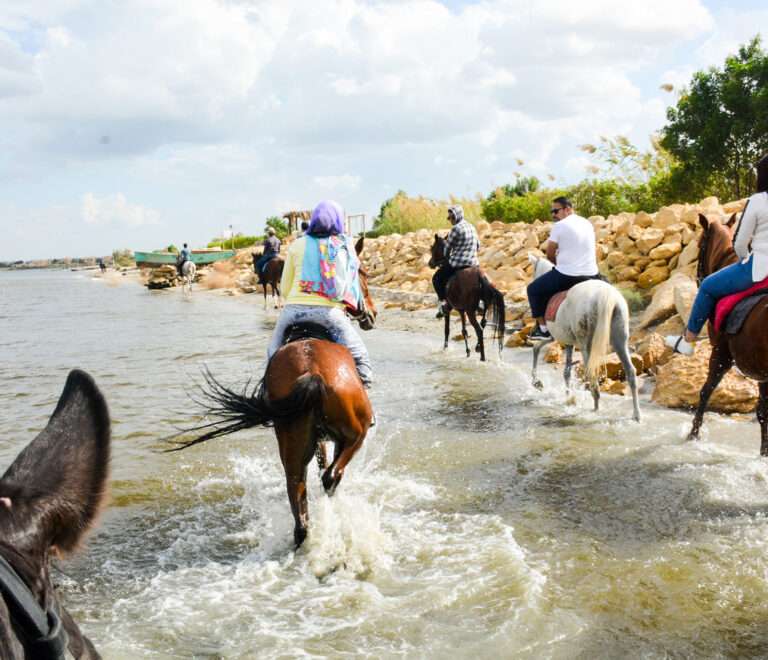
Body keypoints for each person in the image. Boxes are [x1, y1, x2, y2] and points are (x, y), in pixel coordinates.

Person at [666, 153, 768, 355]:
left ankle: (688, 340)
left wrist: (742, 260)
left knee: (708, 286)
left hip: (759, 266)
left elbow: (739, 242)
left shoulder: (758, 201)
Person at [266, 200, 373, 388]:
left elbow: (284, 289)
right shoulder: (343, 246)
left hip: (293, 312)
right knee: (362, 361)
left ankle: (266, 400)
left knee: (272, 358)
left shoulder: (297, 244)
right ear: (339, 221)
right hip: (330, 314)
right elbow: (348, 287)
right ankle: (368, 413)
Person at [526, 196, 600, 340]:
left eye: (556, 211)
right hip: (592, 273)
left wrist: (556, 264)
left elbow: (550, 252)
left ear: (568, 209)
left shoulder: (560, 226)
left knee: (533, 290)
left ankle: (543, 330)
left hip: (569, 275)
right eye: (551, 212)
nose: (553, 215)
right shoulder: (587, 223)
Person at [432, 205, 480, 318]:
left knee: (437, 278)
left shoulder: (455, 229)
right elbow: (478, 246)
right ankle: (480, 303)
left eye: (451, 217)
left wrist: (447, 258)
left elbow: (446, 249)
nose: (450, 220)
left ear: (457, 216)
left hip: (458, 263)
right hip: (474, 263)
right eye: (449, 218)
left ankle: (444, 303)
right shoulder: (472, 227)